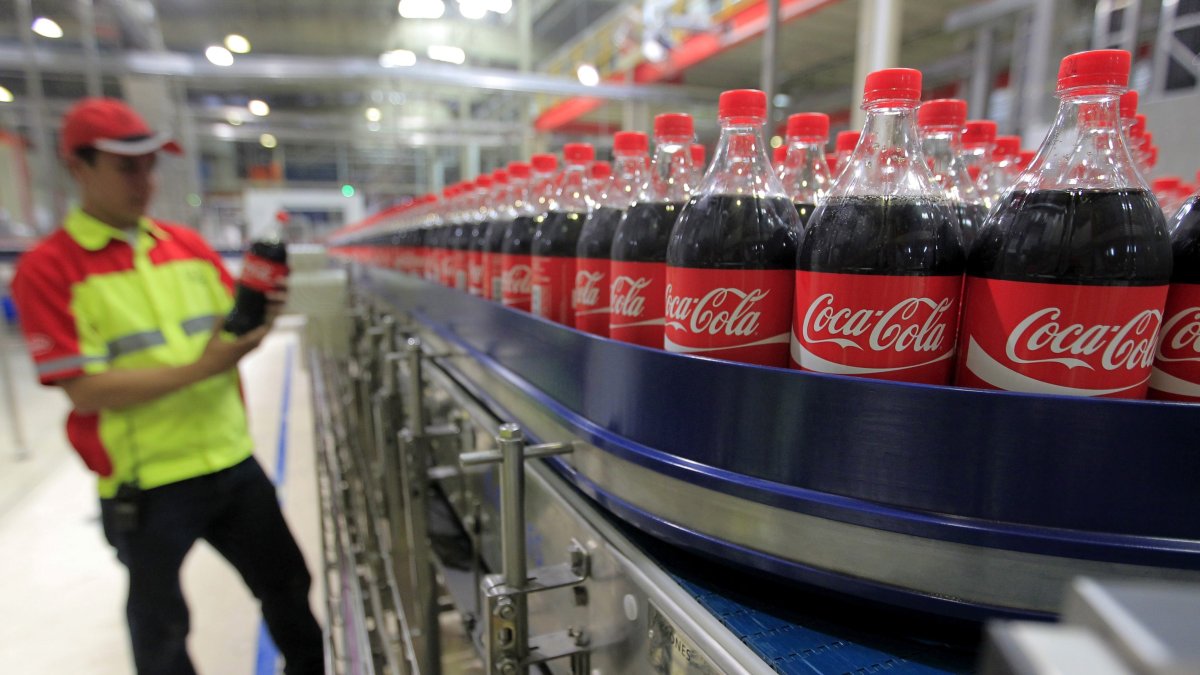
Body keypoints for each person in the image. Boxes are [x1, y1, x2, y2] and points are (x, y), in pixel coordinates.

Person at [10, 98, 323, 675]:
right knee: (162, 630)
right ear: (78, 168)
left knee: (288, 586)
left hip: (229, 458)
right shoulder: (51, 269)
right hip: (147, 484)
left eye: (150, 166)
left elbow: (230, 330)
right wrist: (206, 366)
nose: (144, 181)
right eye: (126, 166)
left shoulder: (187, 247)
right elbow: (85, 390)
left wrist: (262, 315)